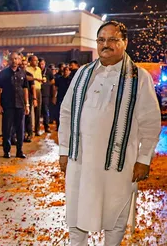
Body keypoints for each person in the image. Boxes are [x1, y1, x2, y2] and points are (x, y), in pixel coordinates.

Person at [59, 21, 161, 246]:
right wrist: (64, 150)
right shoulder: (83, 74)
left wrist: (143, 159)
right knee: (76, 216)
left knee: (115, 218)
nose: (106, 45)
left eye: (113, 39)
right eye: (101, 40)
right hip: (81, 161)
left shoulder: (138, 78)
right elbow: (66, 113)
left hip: (117, 164)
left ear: (125, 42)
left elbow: (151, 123)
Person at [0, 51, 29, 159]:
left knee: (20, 129)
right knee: (7, 128)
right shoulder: (3, 73)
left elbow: (25, 89)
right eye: (12, 59)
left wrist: (27, 104)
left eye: (16, 59)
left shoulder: (23, 73)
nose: (14, 61)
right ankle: (7, 151)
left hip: (20, 105)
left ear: (19, 60)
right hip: (7, 105)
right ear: (9, 60)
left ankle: (19, 150)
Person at [25, 55, 43, 136]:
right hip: (30, 90)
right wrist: (35, 79)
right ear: (30, 61)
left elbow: (40, 80)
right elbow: (27, 78)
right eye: (35, 60)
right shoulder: (27, 69)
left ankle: (37, 129)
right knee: (29, 110)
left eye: (37, 60)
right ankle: (29, 130)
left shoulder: (39, 69)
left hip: (38, 90)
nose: (37, 62)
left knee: (38, 110)